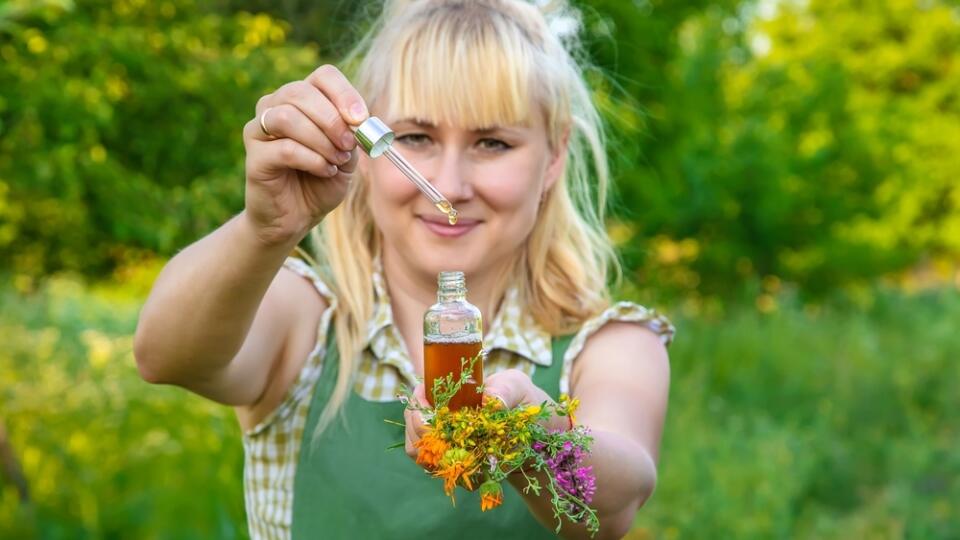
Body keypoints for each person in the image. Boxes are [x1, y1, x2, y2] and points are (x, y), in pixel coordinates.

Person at [133, 1, 674, 538]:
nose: (451, 185)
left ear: (554, 156)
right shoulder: (308, 320)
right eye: (415, 138)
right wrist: (264, 230)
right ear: (365, 148)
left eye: (492, 143)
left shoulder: (611, 346)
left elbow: (612, 505)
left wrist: (528, 430)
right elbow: (165, 357)